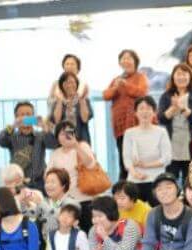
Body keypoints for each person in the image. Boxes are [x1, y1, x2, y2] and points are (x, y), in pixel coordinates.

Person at [103, 49, 149, 180]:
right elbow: (106, 95)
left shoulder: (141, 77)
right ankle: (123, 188)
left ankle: (138, 186)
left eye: (129, 58)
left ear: (135, 61)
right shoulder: (116, 79)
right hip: (120, 126)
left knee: (137, 157)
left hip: (136, 124)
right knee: (123, 158)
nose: (126, 61)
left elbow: (141, 92)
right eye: (123, 58)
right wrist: (115, 87)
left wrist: (126, 84)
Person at [47, 120, 99, 232]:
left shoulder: (82, 146)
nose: (65, 136)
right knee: (66, 232)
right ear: (57, 137)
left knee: (87, 231)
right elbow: (48, 175)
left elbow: (90, 164)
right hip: (64, 201)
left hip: (84, 197)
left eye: (68, 132)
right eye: (61, 133)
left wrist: (76, 145)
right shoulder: (55, 153)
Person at [0, 101, 58, 192]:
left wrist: (44, 126)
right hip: (18, 184)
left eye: (28, 114)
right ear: (16, 117)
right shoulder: (12, 136)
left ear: (33, 116)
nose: (25, 117)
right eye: (22, 114)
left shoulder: (41, 135)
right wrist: (13, 126)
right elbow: (0, 140)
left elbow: (54, 144)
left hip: (40, 183)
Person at [158, 64, 192, 182]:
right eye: (178, 74)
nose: (181, 77)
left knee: (191, 180)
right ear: (173, 77)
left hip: (191, 142)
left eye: (184, 74)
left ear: (190, 77)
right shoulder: (166, 96)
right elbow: (161, 119)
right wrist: (173, 108)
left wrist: (183, 108)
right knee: (170, 178)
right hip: (172, 143)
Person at [126, 96, 172, 206]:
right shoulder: (129, 133)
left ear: (154, 112)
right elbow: (127, 159)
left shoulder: (161, 132)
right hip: (135, 179)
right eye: (141, 108)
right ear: (135, 112)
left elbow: (167, 159)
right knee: (131, 216)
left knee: (158, 213)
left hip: (157, 179)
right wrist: (134, 173)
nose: (144, 112)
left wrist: (146, 165)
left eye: (148, 108)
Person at [29, 167, 80, 235]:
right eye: (47, 182)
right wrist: (26, 202)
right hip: (48, 242)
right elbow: (31, 214)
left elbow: (59, 220)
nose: (48, 185)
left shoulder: (71, 203)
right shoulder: (47, 201)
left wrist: (41, 203)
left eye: (52, 182)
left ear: (63, 185)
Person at [49, 72, 93, 145]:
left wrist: (82, 99)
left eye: (72, 82)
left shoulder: (84, 100)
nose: (69, 85)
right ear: (61, 85)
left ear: (77, 84)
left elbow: (85, 119)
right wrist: (60, 100)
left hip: (81, 140)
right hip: (62, 141)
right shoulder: (57, 101)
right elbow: (57, 120)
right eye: (66, 82)